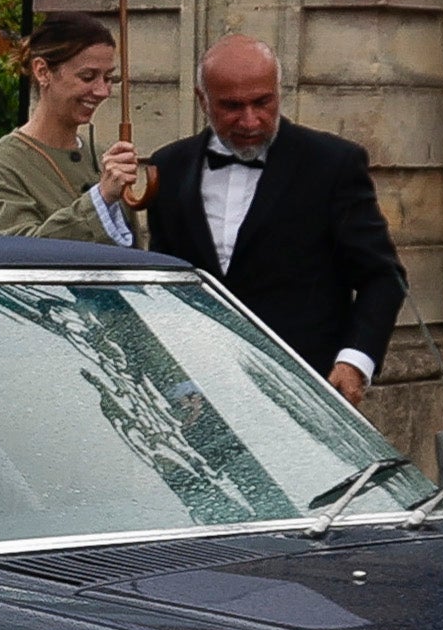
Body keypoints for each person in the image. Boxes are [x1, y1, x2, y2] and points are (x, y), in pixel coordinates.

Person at [140, 36, 406, 405]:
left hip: (306, 389)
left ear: (278, 91)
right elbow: (164, 284)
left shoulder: (332, 163)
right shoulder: (169, 165)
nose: (250, 120)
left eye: (262, 102)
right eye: (232, 106)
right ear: (203, 100)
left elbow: (383, 277)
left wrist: (354, 361)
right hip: (198, 395)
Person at [0, 14, 149, 242]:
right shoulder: (0, 164)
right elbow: (17, 255)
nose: (103, 91)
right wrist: (101, 199)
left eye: (108, 78)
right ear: (43, 71)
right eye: (88, 77)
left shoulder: (102, 157)